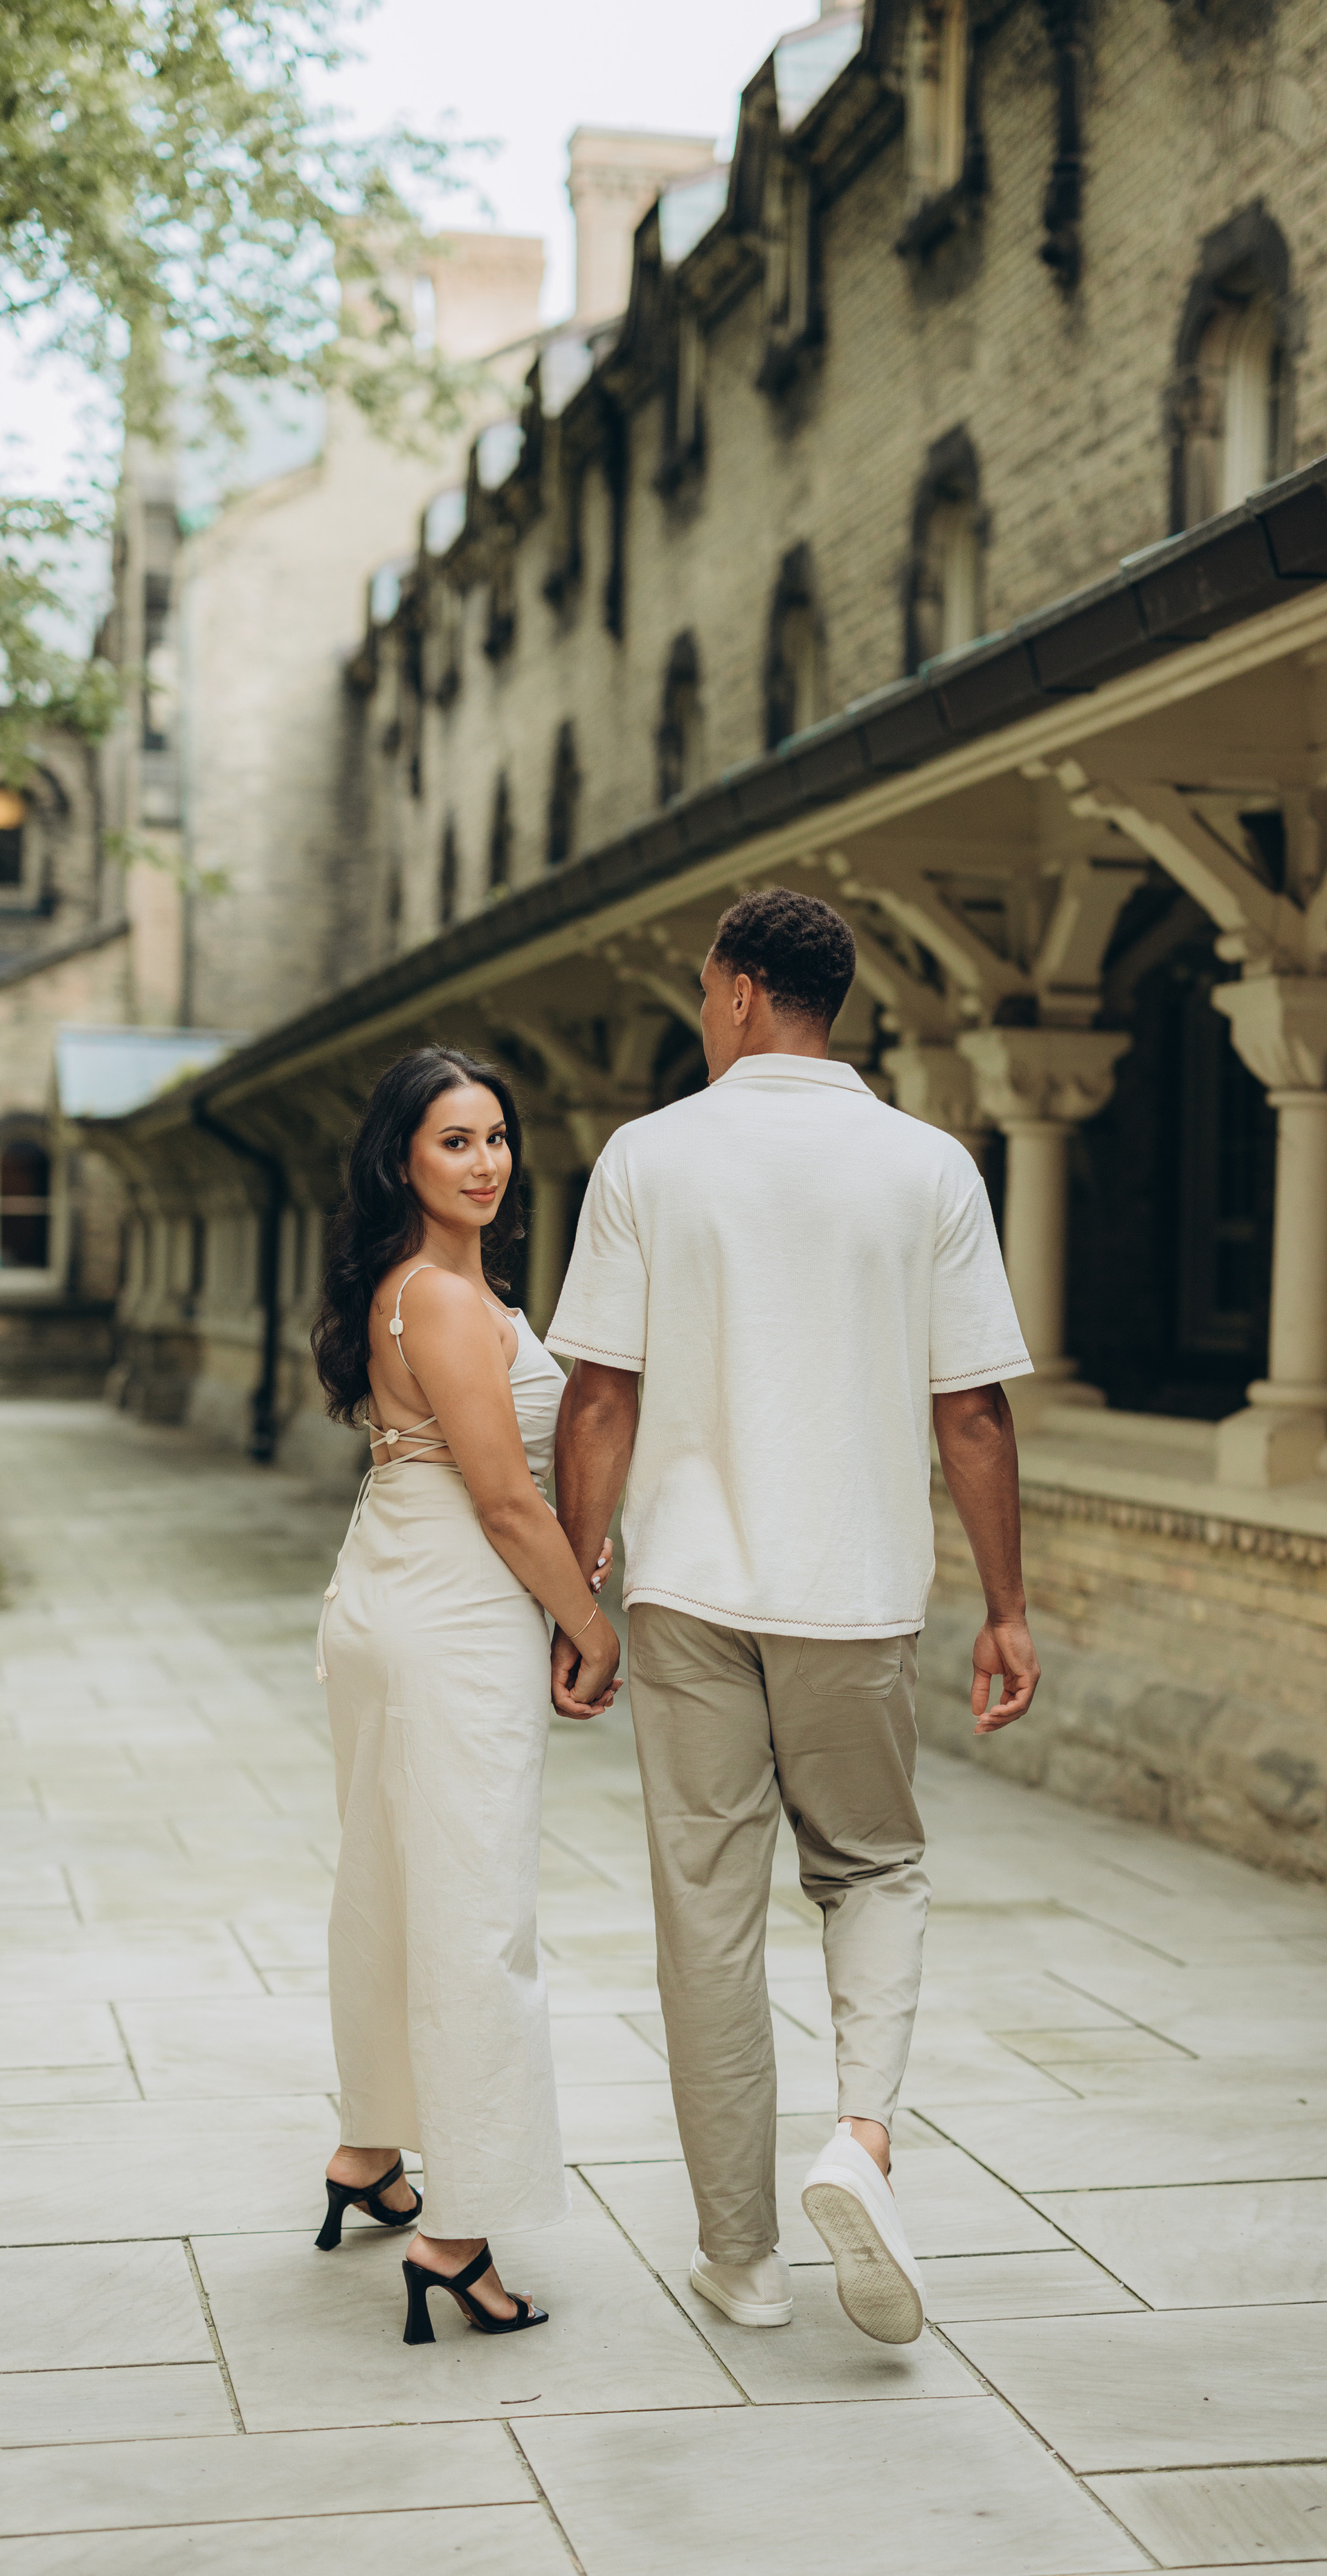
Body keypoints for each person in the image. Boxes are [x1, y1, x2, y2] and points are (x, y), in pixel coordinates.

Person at [545, 888, 1040, 2345]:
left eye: (708, 993)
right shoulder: (927, 1168)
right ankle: (861, 2143)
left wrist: (578, 1590)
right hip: (856, 1592)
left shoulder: (647, 1158)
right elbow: (971, 1413)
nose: (705, 1016)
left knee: (704, 1919)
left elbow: (598, 1394)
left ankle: (742, 2265)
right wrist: (1006, 1607)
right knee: (873, 1868)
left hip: (688, 1589)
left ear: (745, 993)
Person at [307, 1046, 620, 2345]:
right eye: (456, 1141)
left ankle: (369, 2156)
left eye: (498, 1135)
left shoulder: (416, 1286)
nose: (487, 1161)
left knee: (389, 1879)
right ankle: (457, 2234)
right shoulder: (439, 1298)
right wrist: (590, 1626)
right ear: (401, 1159)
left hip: (388, 1590)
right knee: (476, 1909)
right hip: (447, 1612)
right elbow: (504, 1499)